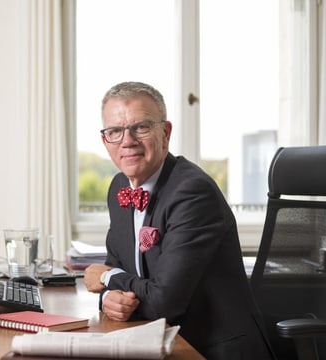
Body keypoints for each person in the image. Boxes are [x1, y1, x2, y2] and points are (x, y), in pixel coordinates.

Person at [83, 81, 275, 359]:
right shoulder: (119, 187)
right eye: (115, 131)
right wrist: (108, 298)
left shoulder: (192, 191)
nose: (127, 141)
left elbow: (163, 302)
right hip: (156, 339)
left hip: (211, 349)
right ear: (105, 140)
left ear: (165, 132)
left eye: (141, 127)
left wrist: (105, 277)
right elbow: (119, 264)